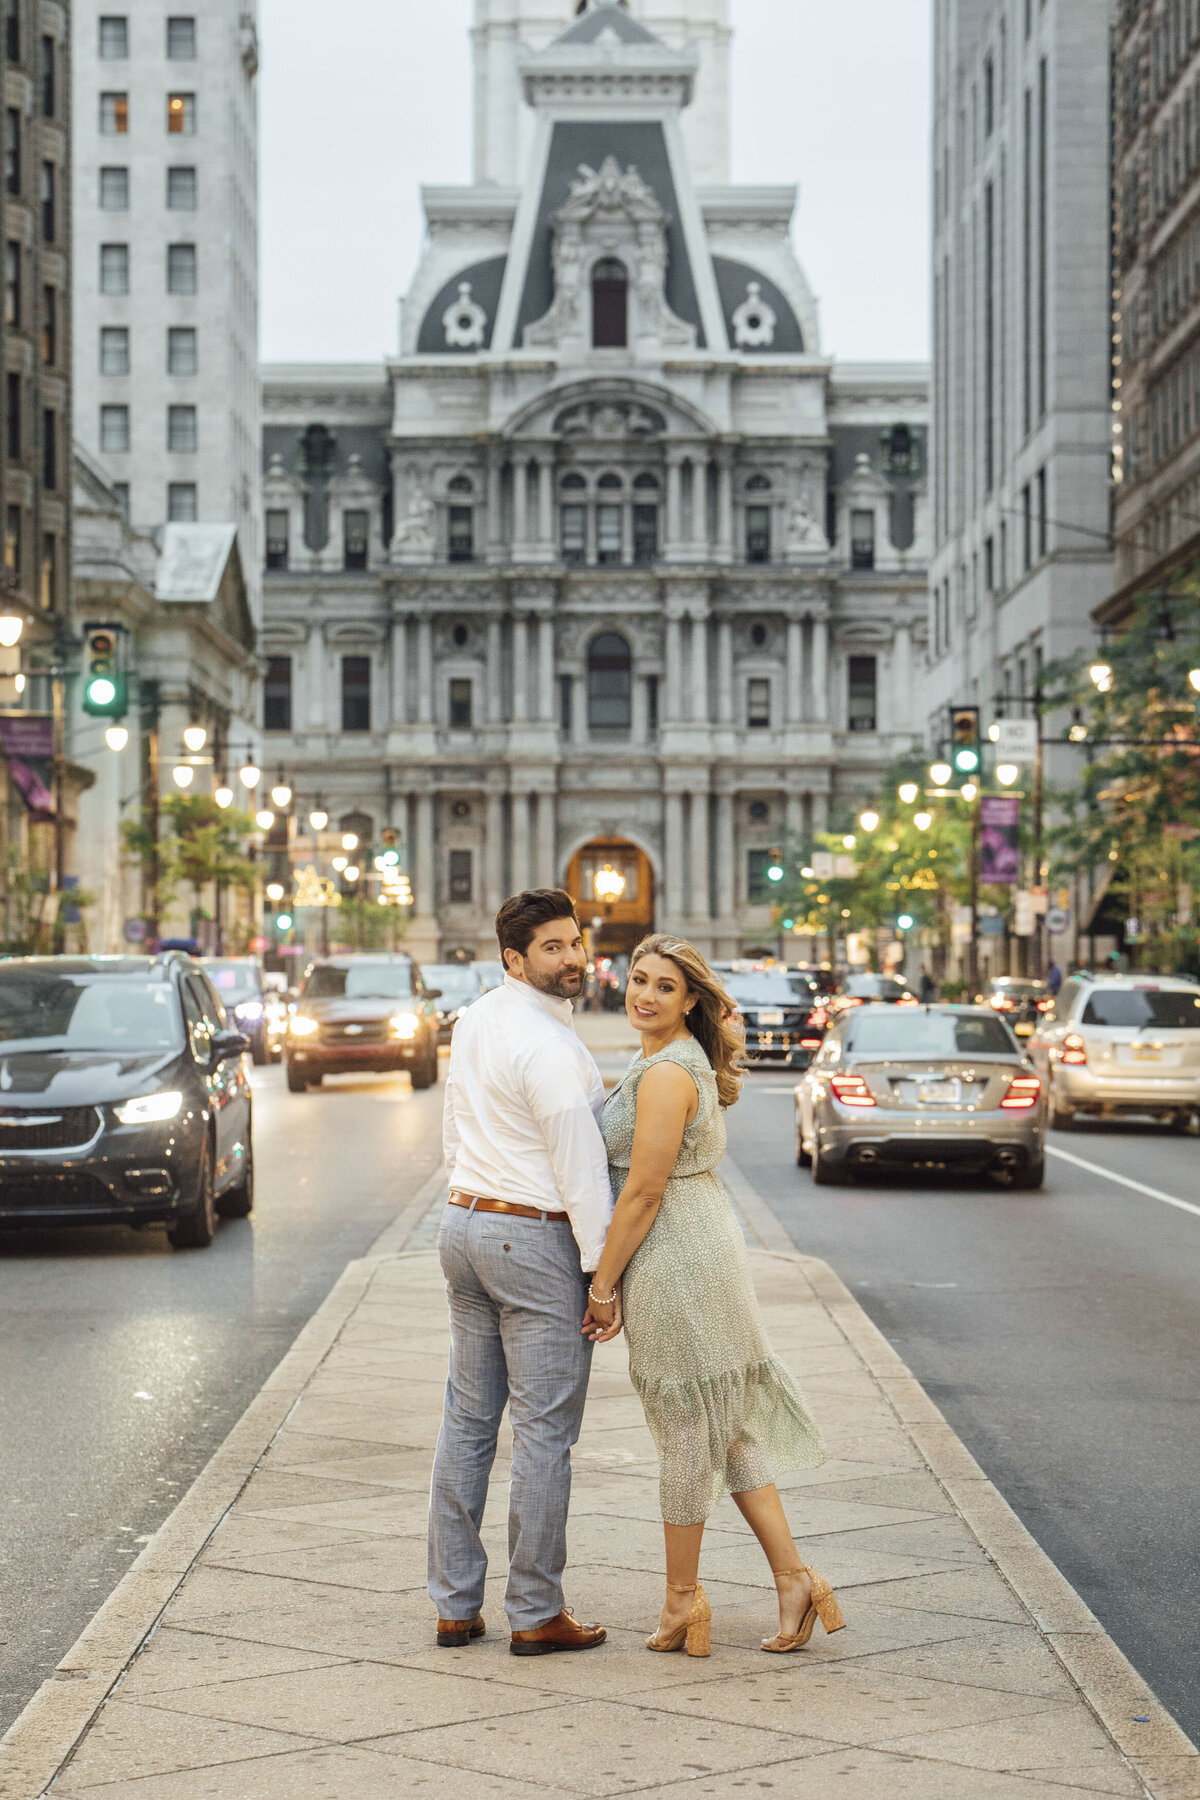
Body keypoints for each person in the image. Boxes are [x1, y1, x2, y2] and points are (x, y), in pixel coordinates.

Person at [584, 935, 845, 1658]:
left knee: (685, 1433)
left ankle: (680, 1603)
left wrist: (603, 1285)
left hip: (675, 1259)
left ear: (692, 999)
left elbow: (642, 1191)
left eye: (665, 987)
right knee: (725, 1432)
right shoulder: (660, 1059)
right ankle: (795, 1579)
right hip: (698, 1244)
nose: (645, 995)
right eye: (638, 980)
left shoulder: (667, 1073)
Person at [429, 890, 615, 1658]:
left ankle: (454, 1605)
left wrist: (465, 1196)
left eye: (575, 943)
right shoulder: (548, 1046)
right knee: (543, 1433)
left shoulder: (475, 1018)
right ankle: (535, 1611)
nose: (572, 958)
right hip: (532, 1238)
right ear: (515, 959)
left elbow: (453, 1120)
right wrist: (602, 1276)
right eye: (553, 948)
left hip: (466, 1223)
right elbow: (580, 1166)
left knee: (468, 1423)